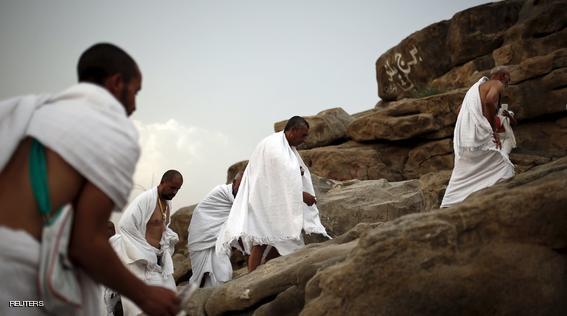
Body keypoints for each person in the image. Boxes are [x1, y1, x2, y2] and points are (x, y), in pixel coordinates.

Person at [0, 43, 179, 315]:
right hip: (31, 284)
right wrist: (145, 295)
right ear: (117, 83)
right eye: (135, 92)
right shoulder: (110, 130)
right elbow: (86, 243)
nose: (134, 104)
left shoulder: (17, 112)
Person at [216, 116, 330, 272]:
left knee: (279, 235)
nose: (305, 139)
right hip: (262, 198)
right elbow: (283, 178)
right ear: (293, 131)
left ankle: (266, 270)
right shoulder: (275, 147)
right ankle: (252, 276)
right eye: (303, 135)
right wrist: (304, 196)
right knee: (262, 239)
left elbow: (287, 173)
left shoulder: (282, 145)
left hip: (269, 197)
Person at [440, 67, 515, 208]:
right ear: (502, 76)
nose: (508, 83)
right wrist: (492, 130)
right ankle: (500, 200)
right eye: (508, 79)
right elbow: (489, 101)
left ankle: (449, 202)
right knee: (505, 168)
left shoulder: (476, 88)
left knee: (463, 171)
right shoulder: (496, 84)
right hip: (480, 135)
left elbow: (460, 110)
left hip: (466, 137)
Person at [111, 170, 183, 316]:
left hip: (158, 261)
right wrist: (144, 252)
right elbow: (125, 225)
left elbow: (163, 228)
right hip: (141, 262)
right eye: (172, 188)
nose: (174, 192)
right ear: (162, 182)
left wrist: (166, 242)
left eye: (178, 189)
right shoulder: (145, 200)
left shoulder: (167, 203)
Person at [187, 172, 243, 288]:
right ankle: (199, 295)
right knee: (200, 275)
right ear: (234, 182)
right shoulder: (221, 192)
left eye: (245, 185)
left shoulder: (239, 199)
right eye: (240, 184)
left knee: (224, 271)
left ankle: (216, 296)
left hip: (218, 240)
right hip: (201, 236)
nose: (242, 188)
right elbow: (201, 212)